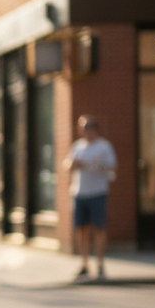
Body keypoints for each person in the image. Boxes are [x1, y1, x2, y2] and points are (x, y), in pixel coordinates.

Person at [63, 115, 117, 281]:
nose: (87, 132)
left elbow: (113, 166)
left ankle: (100, 264)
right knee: (82, 229)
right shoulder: (77, 147)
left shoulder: (104, 146)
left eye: (90, 128)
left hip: (97, 192)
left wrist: (98, 165)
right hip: (80, 193)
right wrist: (73, 164)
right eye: (84, 128)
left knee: (99, 228)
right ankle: (84, 264)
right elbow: (66, 165)